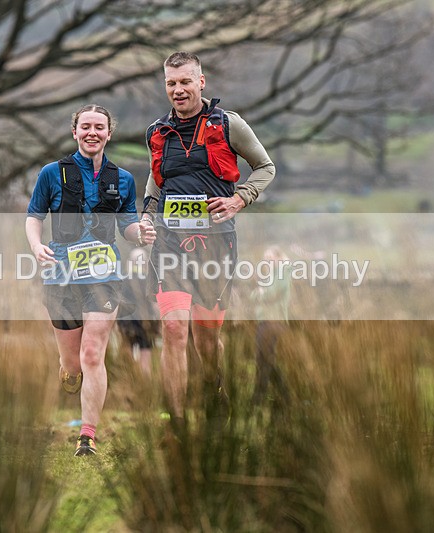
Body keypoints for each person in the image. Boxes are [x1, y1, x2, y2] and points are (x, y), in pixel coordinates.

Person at [140, 51, 276, 425]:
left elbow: (266, 166)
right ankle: (178, 421)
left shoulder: (229, 124)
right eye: (171, 83)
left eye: (185, 82)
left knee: (207, 338)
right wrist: (147, 216)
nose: (178, 90)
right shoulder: (155, 132)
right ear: (165, 86)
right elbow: (157, 178)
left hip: (216, 242)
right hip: (169, 243)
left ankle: (216, 390)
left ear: (201, 81)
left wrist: (239, 198)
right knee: (172, 329)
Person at [26, 104, 156, 457]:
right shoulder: (52, 173)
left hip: (104, 274)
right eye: (86, 126)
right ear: (75, 132)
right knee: (73, 365)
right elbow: (34, 217)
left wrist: (140, 233)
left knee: (92, 353)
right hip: (61, 274)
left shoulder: (123, 179)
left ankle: (87, 436)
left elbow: (127, 227)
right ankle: (68, 371)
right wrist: (37, 246)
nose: (92, 132)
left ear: (109, 133)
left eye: (99, 127)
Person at [250, 246, 291, 407]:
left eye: (270, 258)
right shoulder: (273, 275)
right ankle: (285, 395)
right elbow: (256, 295)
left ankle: (258, 398)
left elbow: (269, 294)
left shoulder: (282, 273)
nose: (266, 261)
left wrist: (260, 292)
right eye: (265, 258)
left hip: (272, 322)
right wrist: (259, 293)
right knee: (266, 359)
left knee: (263, 360)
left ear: (279, 257)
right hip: (266, 321)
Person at [117, 247, 159, 377]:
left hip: (125, 323)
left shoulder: (122, 279)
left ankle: (130, 380)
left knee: (126, 351)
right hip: (146, 322)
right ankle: (144, 386)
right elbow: (155, 305)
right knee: (145, 356)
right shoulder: (150, 279)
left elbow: (117, 303)